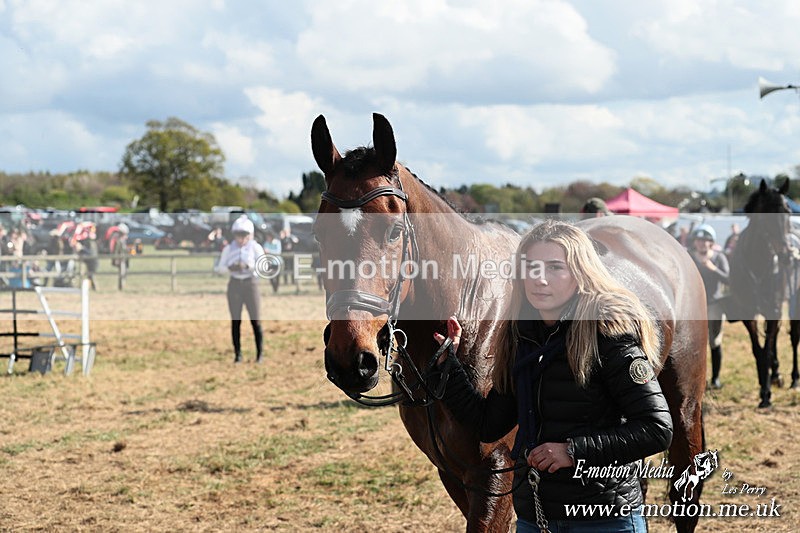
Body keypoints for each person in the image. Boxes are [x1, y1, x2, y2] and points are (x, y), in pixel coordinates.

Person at [432, 220, 672, 533]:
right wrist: (449, 367)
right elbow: (488, 425)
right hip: (536, 516)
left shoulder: (607, 332)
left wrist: (572, 451)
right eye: (530, 267)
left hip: (604, 518)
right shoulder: (521, 336)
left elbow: (656, 429)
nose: (540, 279)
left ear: (580, 272)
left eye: (555, 267)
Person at [215, 215, 266, 364]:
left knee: (255, 320)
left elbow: (264, 267)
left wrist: (249, 268)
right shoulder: (229, 248)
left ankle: (259, 354)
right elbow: (220, 268)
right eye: (238, 234)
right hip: (235, 284)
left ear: (250, 235)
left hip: (251, 284)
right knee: (236, 320)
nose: (241, 238)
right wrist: (230, 268)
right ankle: (238, 354)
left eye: (244, 235)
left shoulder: (255, 247)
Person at [689, 224, 729, 389]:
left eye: (705, 240)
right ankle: (697, 379)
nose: (702, 244)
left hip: (714, 305)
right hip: (694, 306)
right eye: (699, 240)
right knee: (694, 344)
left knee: (714, 341)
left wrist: (713, 269)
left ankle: (716, 378)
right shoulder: (689, 256)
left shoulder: (719, 257)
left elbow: (728, 279)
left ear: (711, 243)